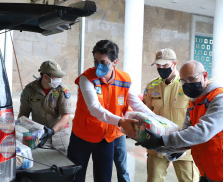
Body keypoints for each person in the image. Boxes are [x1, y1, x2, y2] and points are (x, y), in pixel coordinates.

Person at [67, 40, 155, 182]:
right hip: (82, 137)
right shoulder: (87, 78)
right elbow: (94, 108)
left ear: (115, 62)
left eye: (103, 62)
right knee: (75, 177)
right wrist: (120, 121)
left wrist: (155, 118)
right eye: (95, 61)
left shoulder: (124, 80)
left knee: (104, 178)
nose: (98, 66)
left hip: (106, 138)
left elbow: (136, 103)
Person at [137, 60, 223, 182]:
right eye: (183, 81)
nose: (187, 84)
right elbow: (187, 133)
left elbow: (202, 132)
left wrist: (162, 140)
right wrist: (157, 146)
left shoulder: (219, 98)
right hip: (207, 172)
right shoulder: (194, 102)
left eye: (192, 79)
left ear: (204, 75)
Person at [142, 48, 199, 182]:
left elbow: (197, 115)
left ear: (175, 63)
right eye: (158, 65)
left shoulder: (187, 85)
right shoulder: (152, 87)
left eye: (165, 65)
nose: (161, 68)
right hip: (157, 145)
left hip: (183, 146)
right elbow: (145, 114)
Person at [18, 60, 73, 156]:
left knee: (64, 166)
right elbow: (23, 115)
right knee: (41, 165)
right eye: (56, 76)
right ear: (45, 76)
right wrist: (22, 133)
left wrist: (52, 131)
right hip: (40, 137)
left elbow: (66, 116)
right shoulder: (29, 90)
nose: (59, 79)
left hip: (61, 136)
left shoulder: (62, 90)